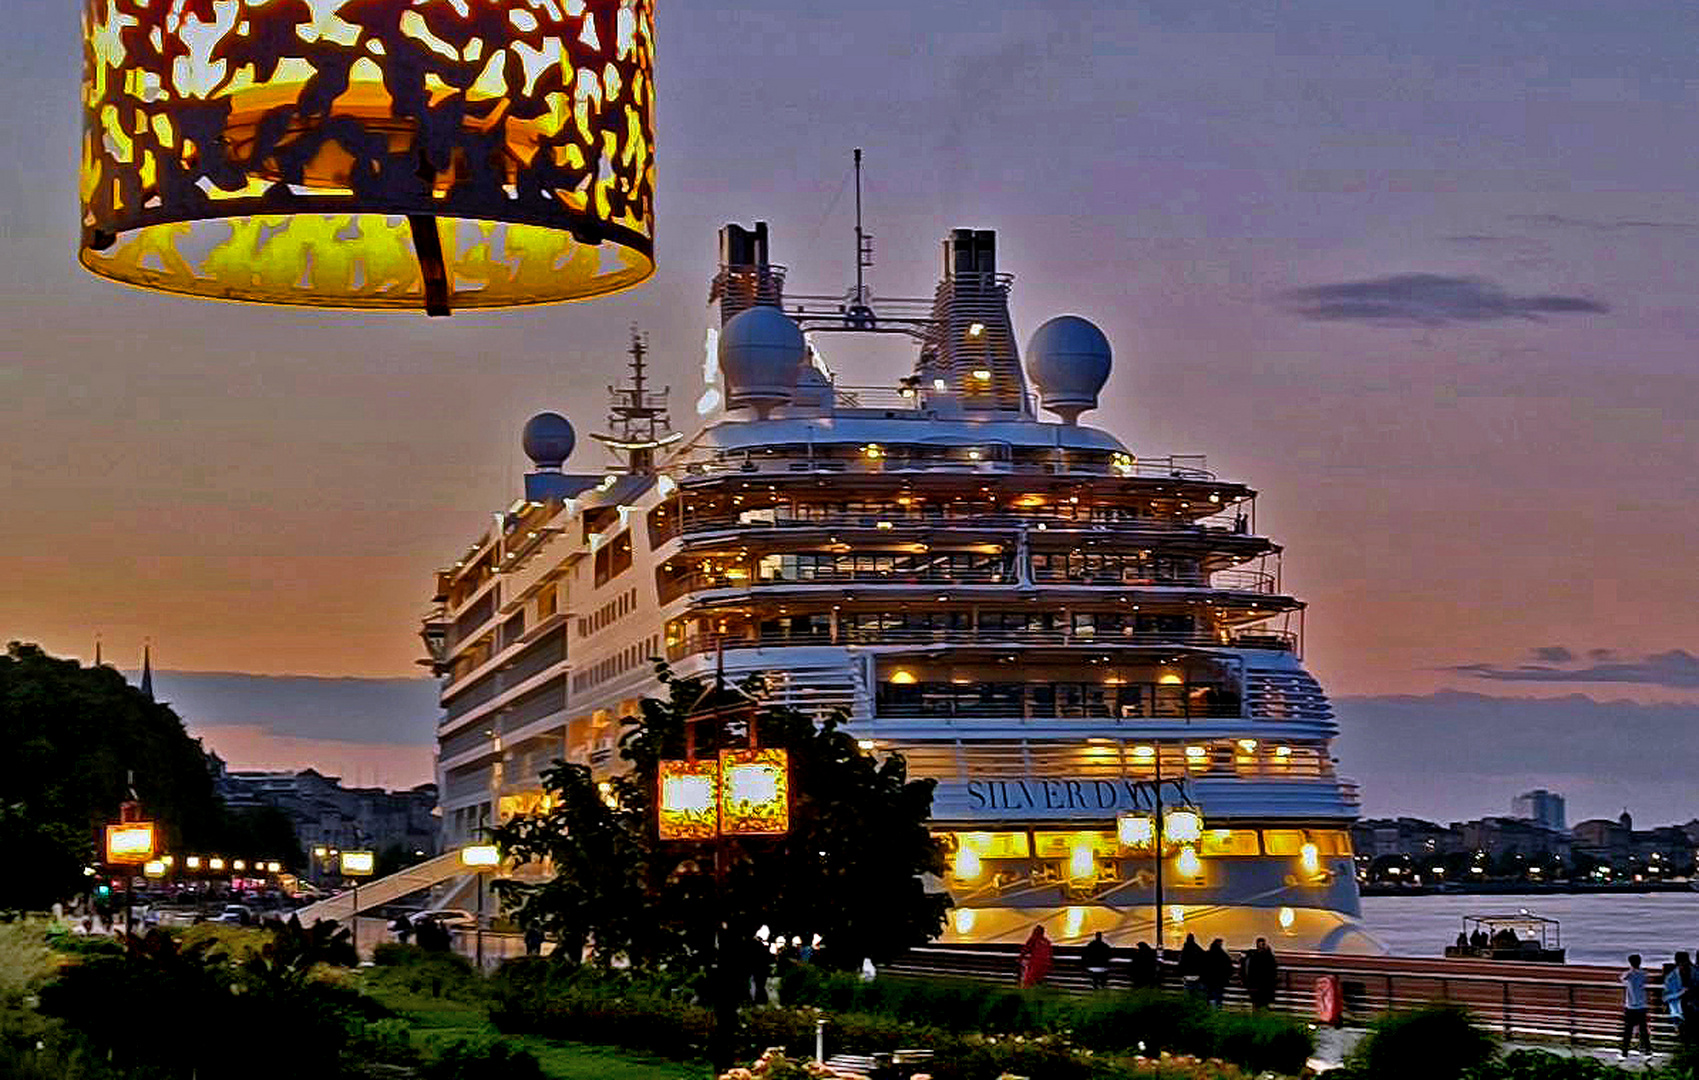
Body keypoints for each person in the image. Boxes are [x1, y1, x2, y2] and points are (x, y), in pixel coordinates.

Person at [1621, 953, 1652, 1057]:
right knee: (1643, 1029)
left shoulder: (1628, 974)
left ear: (1630, 963)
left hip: (1630, 1006)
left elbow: (1622, 978)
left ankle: (1624, 1052)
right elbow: (1646, 979)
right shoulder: (1643, 973)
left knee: (1628, 1030)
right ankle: (1647, 1050)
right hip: (1642, 1005)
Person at [1243, 937, 1279, 1010]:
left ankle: (1258, 1015)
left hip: (1259, 983)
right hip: (1261, 983)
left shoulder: (1254, 955)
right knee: (1260, 1002)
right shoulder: (1266, 956)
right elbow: (1273, 968)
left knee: (1258, 1003)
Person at [1203, 939, 1234, 1007]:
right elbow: (1230, 968)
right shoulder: (1223, 955)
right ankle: (1217, 1011)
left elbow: (1202, 967)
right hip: (1220, 981)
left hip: (1209, 981)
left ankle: (1210, 1010)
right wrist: (1226, 978)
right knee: (1218, 998)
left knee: (1210, 997)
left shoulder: (1207, 954)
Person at [1178, 933, 1206, 999]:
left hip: (1187, 975)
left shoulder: (1185, 950)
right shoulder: (1198, 949)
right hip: (1196, 975)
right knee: (1197, 993)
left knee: (1187, 993)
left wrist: (1181, 973)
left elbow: (1181, 963)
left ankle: (1188, 1004)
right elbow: (1204, 959)